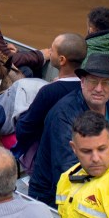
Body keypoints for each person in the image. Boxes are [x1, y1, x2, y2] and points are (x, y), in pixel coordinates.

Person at [29, 53, 109, 206]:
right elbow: (67, 170)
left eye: (105, 83)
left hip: (101, 181)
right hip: (53, 195)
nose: (99, 89)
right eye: (93, 81)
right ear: (82, 82)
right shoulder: (63, 115)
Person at [11, 32, 86, 167]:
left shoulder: (49, 92)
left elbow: (25, 129)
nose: (49, 52)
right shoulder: (87, 89)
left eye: (52, 50)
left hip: (46, 154)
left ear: (62, 60)